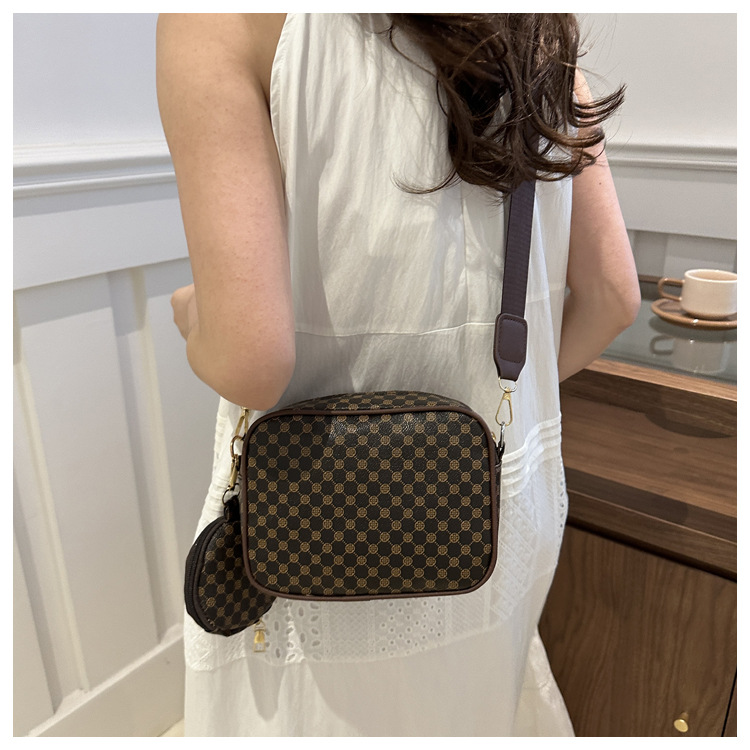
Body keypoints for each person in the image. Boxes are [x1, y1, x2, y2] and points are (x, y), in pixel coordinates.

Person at [156, 13, 640, 737]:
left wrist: (193, 314)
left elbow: (250, 363)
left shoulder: (218, 21)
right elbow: (613, 297)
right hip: (494, 512)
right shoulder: (537, 30)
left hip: (312, 519)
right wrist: (485, 412)